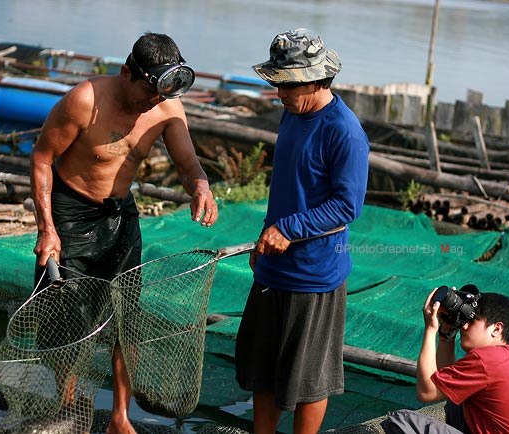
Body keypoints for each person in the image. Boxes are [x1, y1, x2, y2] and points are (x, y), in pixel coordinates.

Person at [30, 32, 218, 434]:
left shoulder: (166, 107)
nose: (151, 103)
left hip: (120, 214)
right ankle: (67, 406)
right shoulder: (85, 101)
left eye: (159, 96)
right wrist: (47, 228)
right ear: (125, 73)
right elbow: (42, 158)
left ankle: (120, 416)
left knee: (126, 319)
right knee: (69, 318)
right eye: (146, 93)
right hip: (70, 213)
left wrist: (201, 186)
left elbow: (187, 164)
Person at [234, 28, 370, 434]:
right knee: (263, 366)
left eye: (287, 84)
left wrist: (289, 229)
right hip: (273, 266)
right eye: (276, 83)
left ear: (316, 80)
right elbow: (287, 186)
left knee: (309, 376)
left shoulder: (343, 131)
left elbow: (348, 207)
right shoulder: (291, 115)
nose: (279, 93)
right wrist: (267, 232)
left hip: (314, 274)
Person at [382, 287, 509, 434]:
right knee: (456, 402)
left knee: (401, 421)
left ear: (497, 329)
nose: (464, 326)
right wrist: (446, 333)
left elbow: (426, 392)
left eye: (472, 320)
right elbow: (443, 383)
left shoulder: (488, 359)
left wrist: (430, 329)